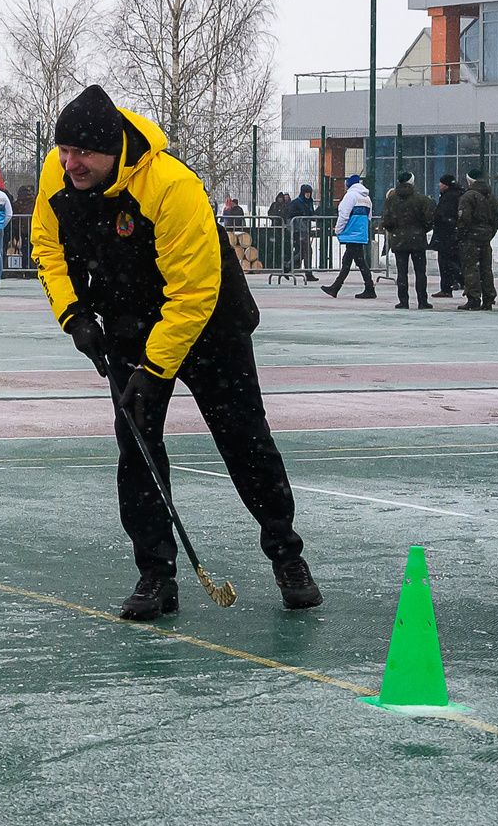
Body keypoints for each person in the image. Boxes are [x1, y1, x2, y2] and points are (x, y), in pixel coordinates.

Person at [32, 85, 322, 618]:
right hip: (127, 321)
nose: (69, 163)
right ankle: (156, 575)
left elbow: (192, 293)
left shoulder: (171, 186)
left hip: (211, 326)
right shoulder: (58, 174)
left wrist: (154, 369)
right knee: (137, 447)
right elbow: (47, 247)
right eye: (64, 151)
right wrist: (73, 316)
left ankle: (286, 552)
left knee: (244, 439)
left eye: (82, 154)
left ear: (114, 148)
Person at [379, 172, 435, 310]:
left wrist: (396, 230)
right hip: (417, 239)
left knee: (401, 272)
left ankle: (403, 300)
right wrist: (421, 230)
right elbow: (429, 219)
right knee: (420, 271)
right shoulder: (421, 199)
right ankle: (422, 300)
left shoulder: (391, 200)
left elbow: (386, 220)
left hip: (399, 239)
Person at [322, 174, 375, 299]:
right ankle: (336, 287)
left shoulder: (350, 196)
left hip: (351, 233)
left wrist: (338, 230)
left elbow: (344, 214)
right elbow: (369, 217)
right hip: (360, 234)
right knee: (350, 260)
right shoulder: (367, 198)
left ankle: (369, 288)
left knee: (359, 262)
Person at [457, 172, 498, 309]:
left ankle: (473, 298)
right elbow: (496, 219)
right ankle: (489, 298)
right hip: (485, 237)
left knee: (471, 268)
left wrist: (462, 235)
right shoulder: (490, 197)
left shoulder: (468, 196)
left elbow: (464, 218)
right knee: (486, 269)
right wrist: (489, 233)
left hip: (471, 238)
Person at [432, 173, 464, 298]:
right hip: (454, 234)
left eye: (441, 182)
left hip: (445, 235)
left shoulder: (448, 197)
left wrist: (435, 218)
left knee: (445, 262)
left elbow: (441, 215)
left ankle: (448, 287)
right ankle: (457, 282)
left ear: (445, 185)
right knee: (454, 259)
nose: (439, 184)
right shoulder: (459, 194)